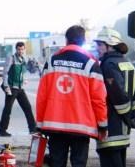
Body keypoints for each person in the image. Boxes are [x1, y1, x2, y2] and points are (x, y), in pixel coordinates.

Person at [36, 25, 108, 167]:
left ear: (66, 40)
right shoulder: (91, 63)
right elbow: (98, 98)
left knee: (56, 163)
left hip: (54, 125)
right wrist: (103, 125)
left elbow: (42, 95)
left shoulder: (51, 61)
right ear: (83, 41)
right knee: (79, 163)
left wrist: (39, 124)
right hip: (81, 127)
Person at [93, 27, 135, 167]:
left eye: (100, 44)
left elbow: (118, 96)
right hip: (123, 131)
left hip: (111, 127)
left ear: (110, 46)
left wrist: (128, 117)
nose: (97, 48)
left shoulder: (108, 65)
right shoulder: (127, 63)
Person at [0, 42, 37, 136]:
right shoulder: (11, 58)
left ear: (24, 50)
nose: (20, 51)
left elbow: (21, 73)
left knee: (27, 107)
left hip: (19, 88)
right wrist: (6, 86)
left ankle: (33, 129)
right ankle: (2, 131)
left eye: (22, 49)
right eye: (19, 49)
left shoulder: (23, 59)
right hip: (11, 88)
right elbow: (5, 73)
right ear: (16, 49)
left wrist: (24, 80)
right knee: (8, 109)